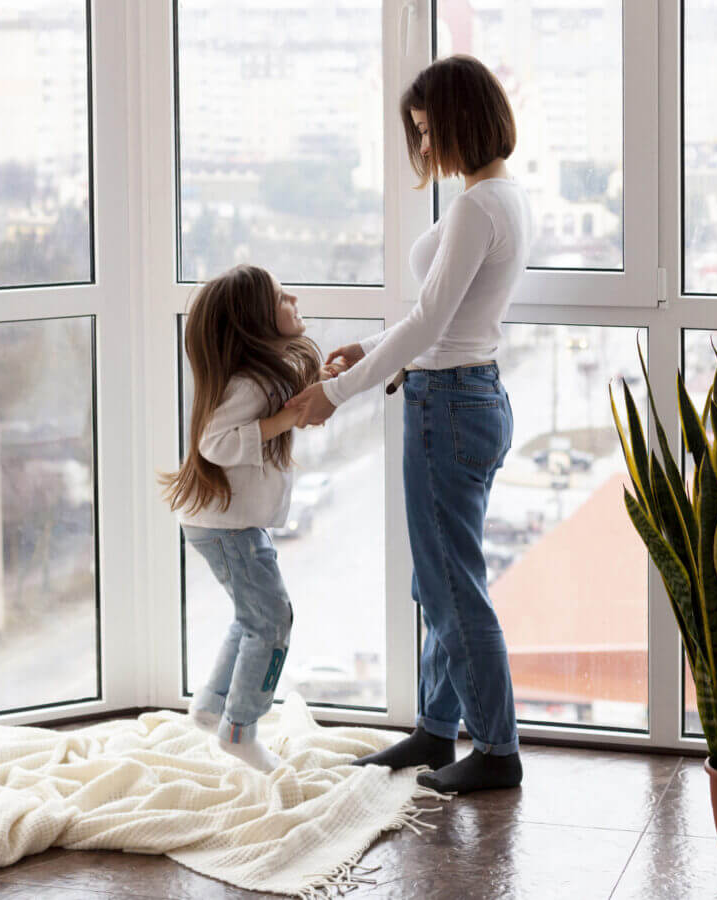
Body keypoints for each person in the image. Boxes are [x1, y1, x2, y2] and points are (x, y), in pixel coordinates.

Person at [286, 55, 533, 794]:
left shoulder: (475, 206)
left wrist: (340, 392)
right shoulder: (503, 198)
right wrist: (375, 350)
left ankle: (496, 748)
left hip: (449, 406)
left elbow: (430, 321)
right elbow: (444, 317)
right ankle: (435, 730)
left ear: (461, 120)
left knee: (452, 587)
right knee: (443, 582)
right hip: (470, 394)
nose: (423, 148)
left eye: (428, 131)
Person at [159, 264, 342, 773]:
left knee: (254, 617)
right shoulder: (247, 384)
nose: (296, 297)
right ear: (258, 319)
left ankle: (213, 708)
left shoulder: (264, 374)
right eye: (285, 297)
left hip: (225, 524)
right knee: (273, 622)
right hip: (224, 528)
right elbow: (212, 443)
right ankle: (239, 731)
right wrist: (283, 419)